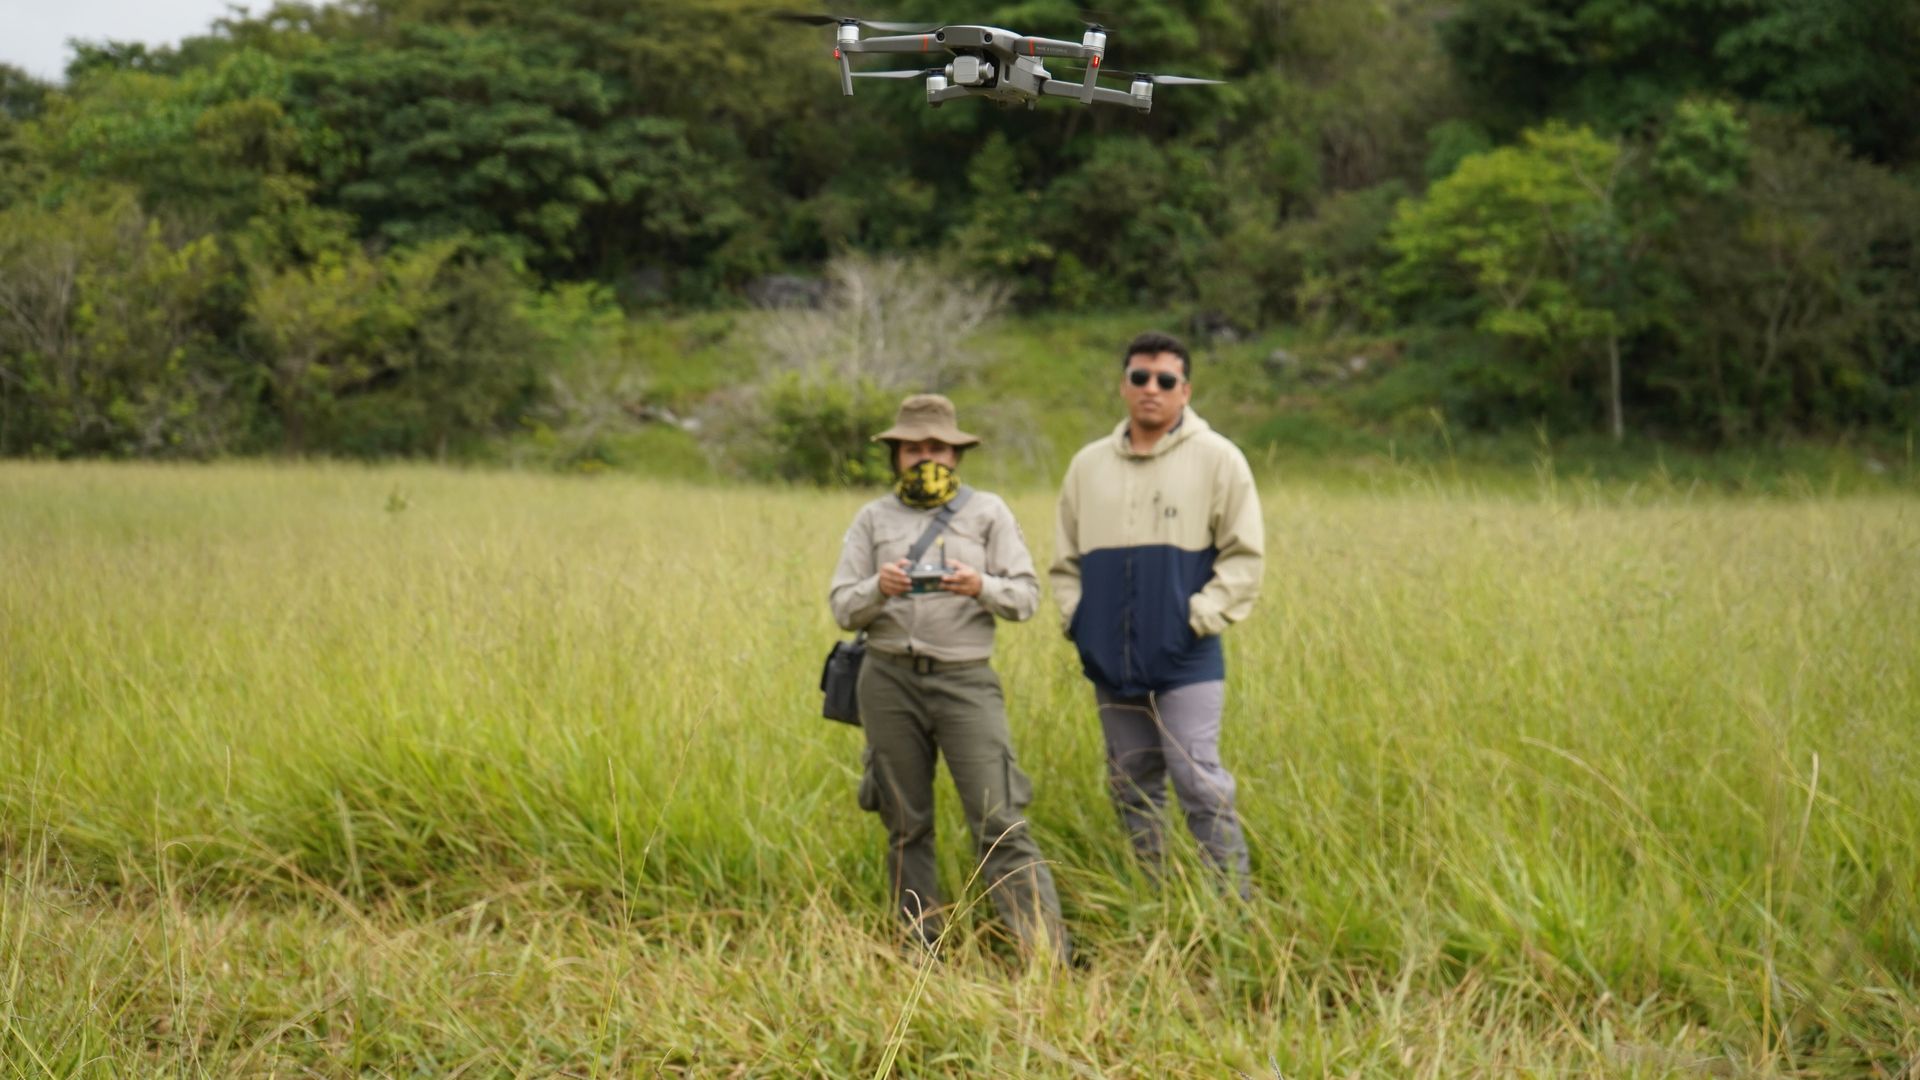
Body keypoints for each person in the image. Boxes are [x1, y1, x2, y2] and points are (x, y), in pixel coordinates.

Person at [828, 393, 1070, 961]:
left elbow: (1027, 596)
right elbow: (842, 606)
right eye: (913, 448)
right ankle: (920, 949)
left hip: (965, 680)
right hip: (887, 677)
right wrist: (877, 588)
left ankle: (1044, 955)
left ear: (956, 454)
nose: (924, 457)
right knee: (906, 824)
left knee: (998, 819)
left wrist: (978, 584)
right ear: (896, 455)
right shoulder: (872, 519)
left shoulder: (987, 512)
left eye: (936, 446)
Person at [1050, 331, 1264, 896]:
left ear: (1185, 390)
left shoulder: (1219, 459)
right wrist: (1080, 622)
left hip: (1188, 656)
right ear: (1123, 386)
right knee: (1131, 783)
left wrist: (1196, 618)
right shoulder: (1087, 466)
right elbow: (1064, 563)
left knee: (1199, 779)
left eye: (1166, 380)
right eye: (1140, 378)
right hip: (1109, 656)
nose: (1152, 389)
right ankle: (1153, 895)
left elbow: (1245, 557)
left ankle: (1232, 906)